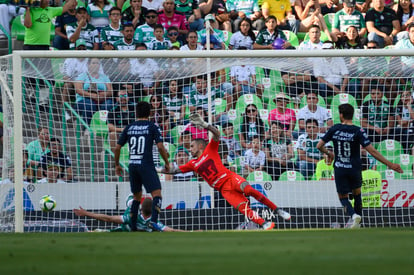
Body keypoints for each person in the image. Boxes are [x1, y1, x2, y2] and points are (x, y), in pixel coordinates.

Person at [159, 112, 292, 230]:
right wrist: (158, 169)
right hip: (223, 189)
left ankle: (276, 209)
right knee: (243, 208)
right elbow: (173, 170)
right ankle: (264, 224)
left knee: (249, 190)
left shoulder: (210, 150)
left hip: (230, 178)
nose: (190, 149)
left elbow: (217, 134)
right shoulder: (192, 164)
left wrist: (205, 125)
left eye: (192, 146)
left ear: (200, 145)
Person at [317, 103, 403, 228]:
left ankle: (353, 216)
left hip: (340, 168)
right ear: (352, 115)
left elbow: (319, 146)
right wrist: (390, 164)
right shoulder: (359, 130)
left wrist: (329, 153)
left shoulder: (334, 129)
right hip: (355, 168)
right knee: (357, 194)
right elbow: (372, 151)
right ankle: (359, 222)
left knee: (343, 197)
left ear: (341, 115)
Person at [114, 101, 170, 232]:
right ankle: (154, 222)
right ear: (150, 113)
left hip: (132, 165)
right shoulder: (152, 126)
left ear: (136, 113)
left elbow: (117, 148)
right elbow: (160, 146)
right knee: (157, 195)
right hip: (146, 164)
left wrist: (117, 165)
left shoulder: (129, 127)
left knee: (136, 197)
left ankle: (133, 227)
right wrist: (167, 163)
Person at [73, 197, 183, 232]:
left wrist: (86, 213)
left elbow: (108, 218)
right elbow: (171, 230)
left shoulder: (130, 215)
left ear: (140, 209)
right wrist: (192, 231)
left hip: (121, 229)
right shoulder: (155, 222)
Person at [74, 58, 114, 126]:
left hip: (101, 99)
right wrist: (92, 95)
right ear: (88, 65)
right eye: (93, 63)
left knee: (108, 104)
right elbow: (78, 90)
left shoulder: (104, 77)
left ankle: (103, 126)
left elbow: (111, 91)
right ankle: (88, 128)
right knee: (89, 104)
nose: (96, 65)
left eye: (97, 63)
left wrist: (103, 94)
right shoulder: (82, 76)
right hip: (84, 100)